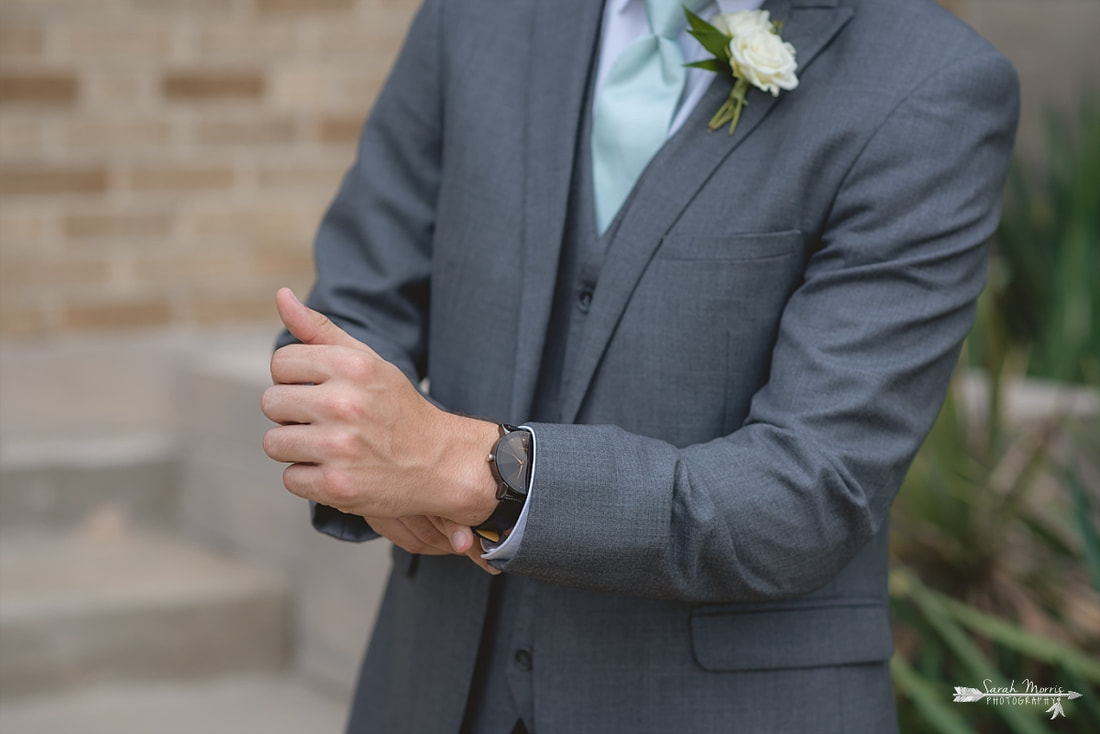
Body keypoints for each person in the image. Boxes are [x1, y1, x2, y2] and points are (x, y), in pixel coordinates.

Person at [261, 0, 1019, 731]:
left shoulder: (935, 83)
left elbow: (811, 490)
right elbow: (350, 314)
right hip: (433, 687)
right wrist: (360, 453)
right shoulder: (473, 14)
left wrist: (474, 470)